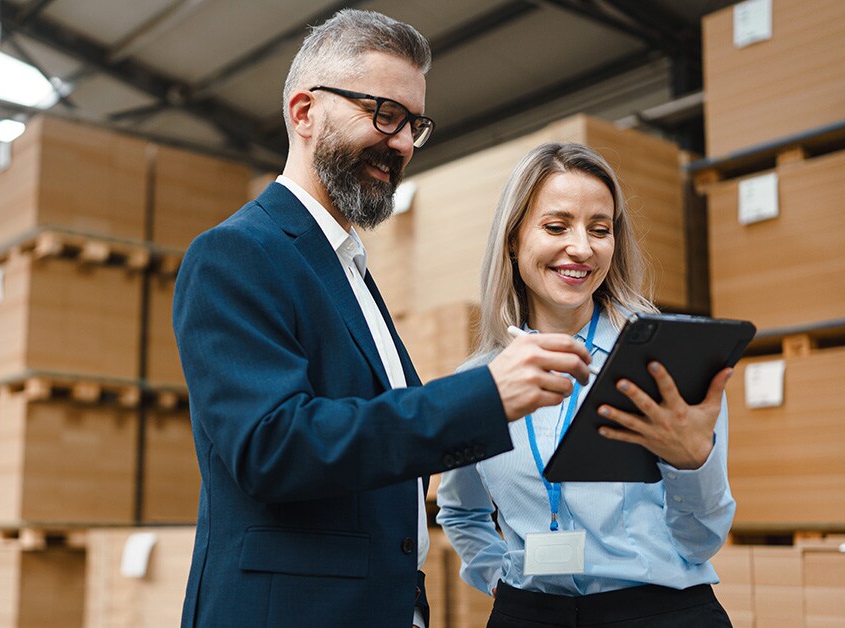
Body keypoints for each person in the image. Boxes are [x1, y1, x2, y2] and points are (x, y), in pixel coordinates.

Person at [173, 10, 598, 628]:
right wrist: (482, 396)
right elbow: (272, 447)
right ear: (303, 112)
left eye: (414, 125)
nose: (401, 142)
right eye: (383, 114)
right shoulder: (237, 253)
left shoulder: (347, 268)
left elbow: (385, 445)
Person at [436, 143, 737, 627]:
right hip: (529, 614)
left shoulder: (663, 361)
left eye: (600, 230)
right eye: (556, 227)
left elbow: (702, 540)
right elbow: (461, 512)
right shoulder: (478, 382)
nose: (582, 247)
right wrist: (500, 579)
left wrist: (691, 463)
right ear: (513, 240)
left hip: (658, 612)